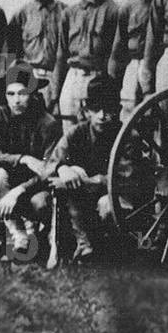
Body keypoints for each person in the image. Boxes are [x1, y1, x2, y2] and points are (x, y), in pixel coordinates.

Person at [0, 63, 62, 256]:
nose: (16, 100)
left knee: (41, 204)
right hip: (8, 183)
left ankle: (41, 236)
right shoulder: (0, 115)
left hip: (37, 187)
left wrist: (20, 190)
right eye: (11, 94)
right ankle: (18, 233)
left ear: (33, 94)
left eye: (22, 93)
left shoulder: (48, 124)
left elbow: (50, 169)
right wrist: (22, 158)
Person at [46, 74, 121, 262]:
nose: (102, 116)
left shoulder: (126, 136)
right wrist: (63, 169)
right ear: (87, 111)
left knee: (107, 206)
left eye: (108, 110)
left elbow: (126, 177)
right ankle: (83, 244)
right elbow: (52, 162)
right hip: (84, 196)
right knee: (73, 172)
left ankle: (110, 250)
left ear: (118, 110)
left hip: (116, 195)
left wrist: (86, 181)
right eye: (96, 109)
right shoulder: (77, 132)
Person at [52, 0, 118, 135]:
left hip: (98, 79)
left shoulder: (113, 10)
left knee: (97, 133)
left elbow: (116, 54)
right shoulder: (69, 13)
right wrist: (55, 95)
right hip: (72, 79)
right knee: (69, 132)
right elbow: (60, 55)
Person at [109, 0, 168, 114]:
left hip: (162, 66)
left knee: (165, 115)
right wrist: (112, 82)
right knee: (129, 115)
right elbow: (118, 50)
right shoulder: (129, 7)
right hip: (135, 67)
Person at [8, 0, 68, 111]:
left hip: (59, 79)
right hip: (28, 78)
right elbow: (11, 54)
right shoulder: (21, 14)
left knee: (54, 122)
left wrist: (57, 88)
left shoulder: (67, 13)